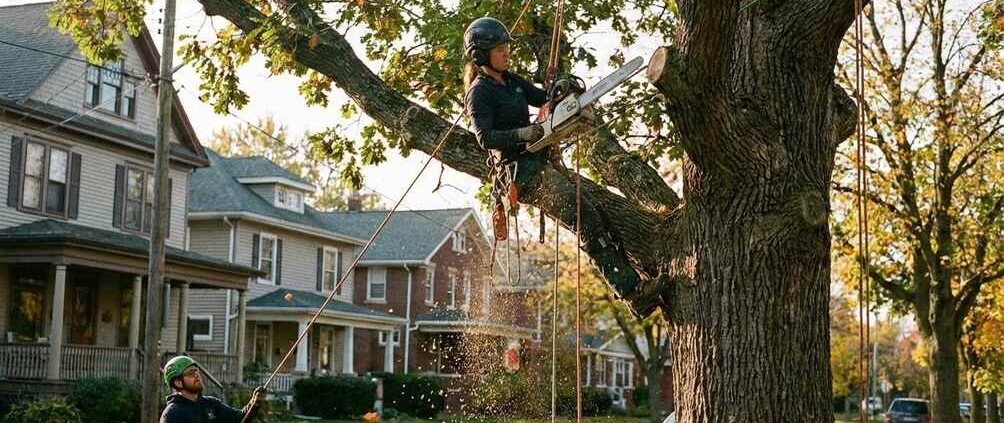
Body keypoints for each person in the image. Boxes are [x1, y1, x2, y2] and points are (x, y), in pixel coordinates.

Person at [463, 16, 551, 193]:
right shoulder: (479, 92)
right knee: (573, 202)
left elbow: (541, 98)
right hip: (514, 169)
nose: (506, 53)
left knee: (590, 205)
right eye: (500, 50)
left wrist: (557, 90)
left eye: (507, 48)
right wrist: (521, 134)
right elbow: (485, 138)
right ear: (481, 55)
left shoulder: (511, 80)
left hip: (535, 158)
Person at [160, 355, 266, 423]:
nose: (197, 375)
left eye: (196, 371)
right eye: (191, 373)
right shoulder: (172, 414)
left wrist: (254, 403)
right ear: (178, 382)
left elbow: (239, 418)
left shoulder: (211, 404)